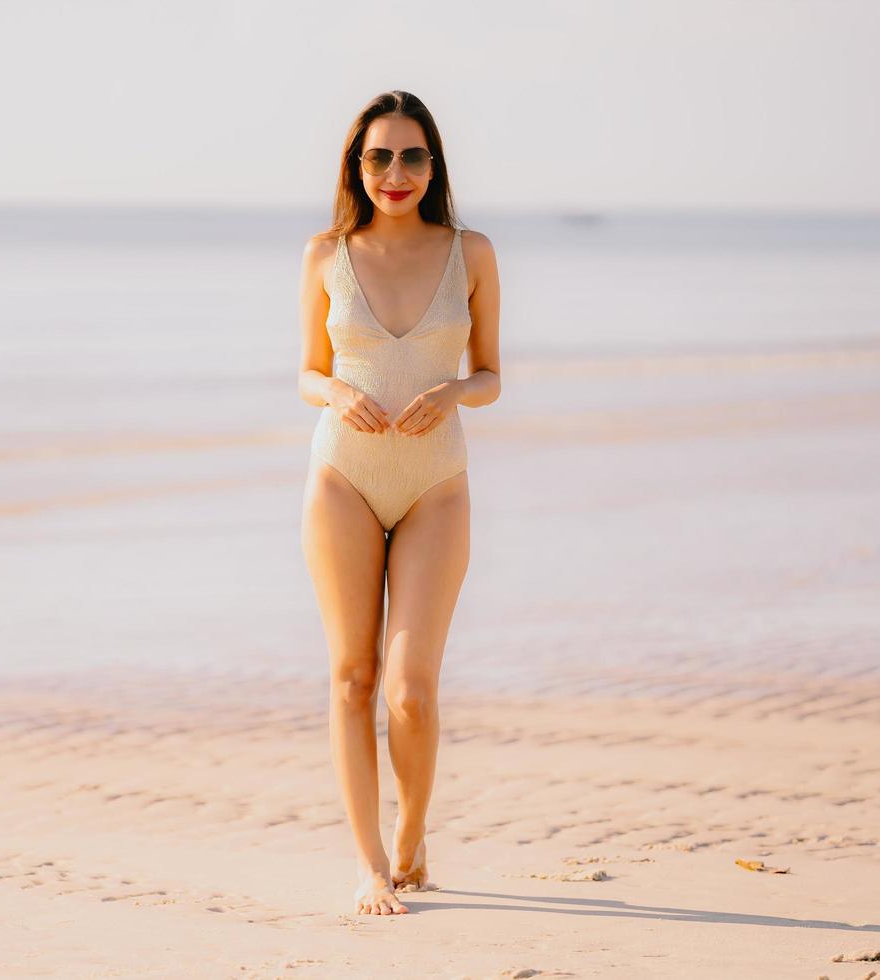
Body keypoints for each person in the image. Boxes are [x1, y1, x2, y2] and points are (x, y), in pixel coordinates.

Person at [297, 90, 502, 916]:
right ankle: (371, 866)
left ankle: (414, 833)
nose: (395, 172)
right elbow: (305, 370)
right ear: (357, 164)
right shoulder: (324, 253)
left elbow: (492, 376)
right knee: (353, 676)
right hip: (342, 478)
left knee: (410, 688)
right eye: (378, 156)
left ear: (433, 165)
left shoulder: (471, 252)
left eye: (412, 155)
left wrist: (453, 389)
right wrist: (336, 394)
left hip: (434, 488)